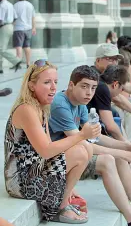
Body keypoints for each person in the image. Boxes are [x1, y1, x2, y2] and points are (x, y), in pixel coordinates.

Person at [49, 65, 131, 226]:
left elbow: (96, 137)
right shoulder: (60, 104)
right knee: (109, 160)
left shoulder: (80, 104)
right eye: (84, 86)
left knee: (118, 156)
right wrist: (121, 152)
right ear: (71, 85)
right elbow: (82, 143)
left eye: (93, 88)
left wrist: (127, 146)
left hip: (73, 154)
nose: (89, 93)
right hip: (59, 160)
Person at [4, 60, 100, 223]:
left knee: (85, 149)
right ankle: (60, 208)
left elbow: (50, 150)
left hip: (34, 169)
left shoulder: (40, 107)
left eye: (55, 82)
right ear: (32, 85)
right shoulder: (26, 109)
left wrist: (69, 186)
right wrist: (82, 135)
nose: (54, 87)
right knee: (79, 149)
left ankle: (63, 199)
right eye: (47, 82)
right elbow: (46, 150)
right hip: (20, 181)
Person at [0, 0, 22, 73]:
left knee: (1, 49)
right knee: (1, 47)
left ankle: (16, 60)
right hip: (10, 26)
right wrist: (10, 24)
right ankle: (0, 68)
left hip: (4, 27)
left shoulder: (2, 6)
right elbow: (15, 17)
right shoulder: (10, 4)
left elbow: (0, 20)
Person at [13, 0, 36, 68]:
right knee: (27, 46)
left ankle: (17, 63)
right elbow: (33, 17)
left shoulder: (15, 5)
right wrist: (33, 27)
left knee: (18, 46)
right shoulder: (30, 5)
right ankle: (28, 63)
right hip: (28, 28)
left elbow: (14, 18)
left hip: (18, 28)